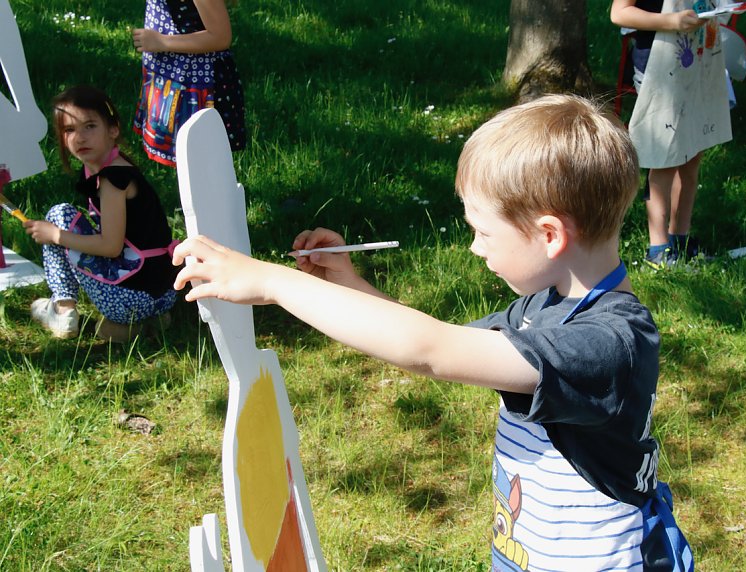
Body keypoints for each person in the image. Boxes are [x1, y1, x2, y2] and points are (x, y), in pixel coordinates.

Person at [172, 94, 694, 571]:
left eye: (482, 232)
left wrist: (270, 282)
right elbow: (442, 340)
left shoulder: (608, 344)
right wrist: (350, 283)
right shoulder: (546, 309)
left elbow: (430, 350)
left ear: (550, 235)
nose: (475, 248)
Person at [24, 85, 178, 341]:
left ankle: (63, 312)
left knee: (59, 215)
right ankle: (149, 322)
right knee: (66, 226)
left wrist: (56, 235)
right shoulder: (114, 167)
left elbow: (110, 247)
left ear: (113, 129)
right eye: (69, 130)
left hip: (131, 298)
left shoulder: (111, 179)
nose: (80, 138)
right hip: (162, 294)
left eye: (90, 126)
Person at [611, 0, 732, 268]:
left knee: (692, 152)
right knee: (664, 158)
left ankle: (681, 239)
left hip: (697, 59)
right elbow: (619, 13)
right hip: (658, 65)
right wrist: (671, 22)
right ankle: (658, 249)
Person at [132, 0, 246, 167]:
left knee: (203, 168)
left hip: (197, 87)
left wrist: (163, 42)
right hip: (173, 79)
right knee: (190, 171)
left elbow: (220, 37)